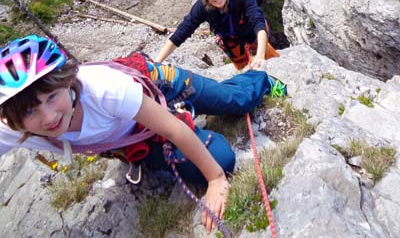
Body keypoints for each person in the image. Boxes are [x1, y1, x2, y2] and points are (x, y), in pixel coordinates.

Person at [0, 35, 278, 234]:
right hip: (134, 135)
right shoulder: (12, 127)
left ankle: (259, 80)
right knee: (220, 156)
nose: (48, 118)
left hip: (160, 86)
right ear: (11, 117)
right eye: (29, 112)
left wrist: (216, 180)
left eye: (51, 97)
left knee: (235, 101)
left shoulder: (104, 89)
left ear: (68, 83)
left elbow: (171, 127)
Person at [155, 0, 280, 71]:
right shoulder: (202, 8)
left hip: (252, 31)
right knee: (243, 68)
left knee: (269, 58)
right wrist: (155, 63)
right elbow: (181, 33)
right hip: (230, 40)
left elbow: (257, 21)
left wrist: (260, 56)